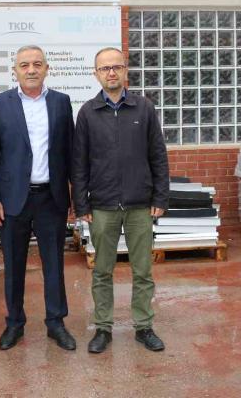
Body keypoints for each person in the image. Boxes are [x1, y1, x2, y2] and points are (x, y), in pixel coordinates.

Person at [72, 47, 171, 354]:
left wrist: (160, 196)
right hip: (102, 206)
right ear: (96, 74)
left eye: (116, 67)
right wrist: (82, 204)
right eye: (105, 68)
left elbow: (158, 155)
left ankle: (144, 326)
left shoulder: (144, 108)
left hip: (140, 204)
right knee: (102, 271)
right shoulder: (88, 113)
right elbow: (79, 163)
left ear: (126, 71)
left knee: (143, 271)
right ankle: (103, 328)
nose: (111, 73)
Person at [0, 45, 76, 351]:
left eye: (37, 64)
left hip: (51, 197)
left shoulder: (61, 102)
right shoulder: (0, 104)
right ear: (15, 71)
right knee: (13, 265)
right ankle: (14, 323)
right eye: (24, 65)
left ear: (47, 68)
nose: (31, 69)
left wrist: (76, 195)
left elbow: (70, 153)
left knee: (54, 264)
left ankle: (56, 323)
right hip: (12, 200)